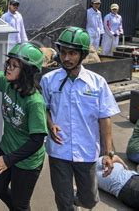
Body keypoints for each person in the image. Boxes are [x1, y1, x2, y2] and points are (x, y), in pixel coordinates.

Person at [41, 26, 120, 211]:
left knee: (90, 200)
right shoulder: (48, 81)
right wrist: (50, 123)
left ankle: (78, 201)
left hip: (86, 151)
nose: (66, 58)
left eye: (72, 53)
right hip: (59, 151)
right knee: (63, 201)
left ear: (83, 54)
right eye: (63, 52)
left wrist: (108, 153)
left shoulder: (97, 83)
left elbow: (104, 118)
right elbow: (44, 109)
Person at [0, 28, 48, 211]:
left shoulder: (34, 102)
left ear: (26, 71)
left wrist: (8, 160)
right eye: (9, 63)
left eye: (14, 65)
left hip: (27, 161)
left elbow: (37, 140)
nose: (7, 67)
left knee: (21, 203)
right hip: (7, 147)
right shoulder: (7, 84)